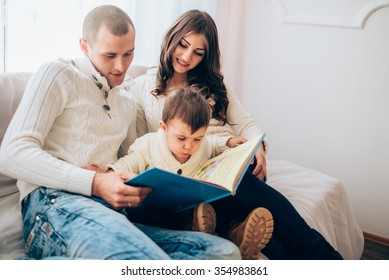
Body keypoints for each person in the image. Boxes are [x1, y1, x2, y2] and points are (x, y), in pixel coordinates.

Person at [0, 5, 241, 260]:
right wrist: (94, 181)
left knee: (222, 252)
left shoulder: (127, 99)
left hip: (111, 213)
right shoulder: (59, 73)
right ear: (84, 46)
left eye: (128, 54)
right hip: (54, 203)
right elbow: (12, 153)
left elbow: (132, 158)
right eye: (110, 55)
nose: (120, 66)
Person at [130, 9, 344, 260]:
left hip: (230, 164)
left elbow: (246, 124)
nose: (187, 57)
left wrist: (259, 147)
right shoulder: (143, 87)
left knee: (259, 202)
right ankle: (234, 230)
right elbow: (144, 141)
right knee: (270, 237)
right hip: (191, 171)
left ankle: (323, 257)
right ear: (171, 39)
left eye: (198, 52)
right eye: (183, 45)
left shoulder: (214, 84)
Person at [85, 87, 274, 260]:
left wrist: (229, 142)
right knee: (139, 208)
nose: (189, 146)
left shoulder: (203, 144)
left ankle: (235, 233)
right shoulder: (148, 145)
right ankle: (205, 232)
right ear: (164, 128)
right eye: (181, 138)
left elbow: (213, 144)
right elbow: (128, 163)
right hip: (160, 212)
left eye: (197, 138)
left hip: (195, 208)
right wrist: (107, 173)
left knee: (218, 200)